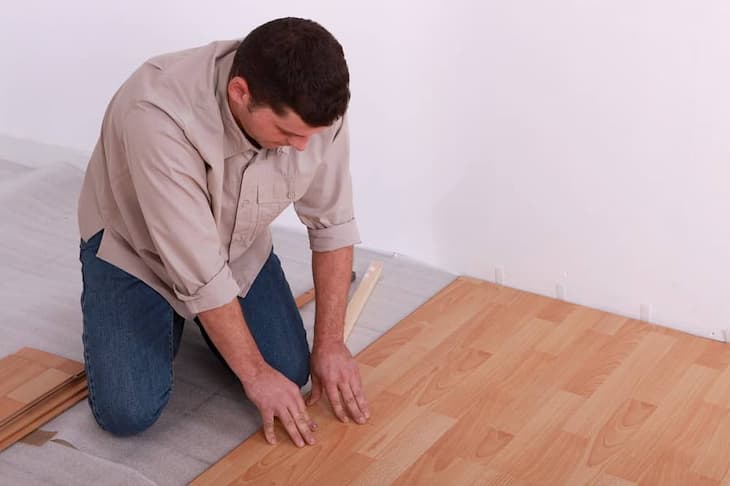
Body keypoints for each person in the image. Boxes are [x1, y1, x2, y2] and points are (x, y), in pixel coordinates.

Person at [76, 17, 369, 448]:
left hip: (237, 247)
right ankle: (162, 312)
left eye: (311, 136)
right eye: (288, 133)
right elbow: (201, 274)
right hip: (136, 253)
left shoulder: (314, 112)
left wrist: (329, 343)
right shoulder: (157, 115)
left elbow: (331, 225)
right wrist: (252, 374)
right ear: (240, 93)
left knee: (291, 372)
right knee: (128, 410)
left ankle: (203, 324)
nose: (303, 147)